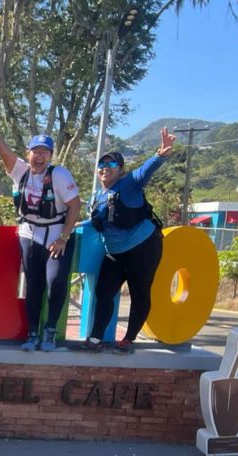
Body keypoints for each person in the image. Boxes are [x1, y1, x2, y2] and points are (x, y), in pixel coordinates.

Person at [0, 100, 82, 352]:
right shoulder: (20, 171)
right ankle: (33, 333)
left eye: (45, 152)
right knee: (33, 285)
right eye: (35, 151)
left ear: (51, 156)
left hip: (56, 234)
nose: (39, 156)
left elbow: (75, 205)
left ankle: (50, 331)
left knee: (55, 282)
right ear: (28, 153)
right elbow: (2, 150)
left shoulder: (59, 175)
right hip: (29, 234)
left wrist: (64, 237)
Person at [73, 128, 176, 354]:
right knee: (103, 292)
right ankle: (95, 340)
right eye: (102, 164)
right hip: (115, 252)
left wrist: (160, 155)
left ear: (120, 170)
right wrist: (72, 226)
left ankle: (128, 340)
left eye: (111, 164)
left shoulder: (128, 184)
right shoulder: (96, 197)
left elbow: (143, 172)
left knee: (140, 292)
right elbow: (96, 221)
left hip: (143, 247)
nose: (105, 168)